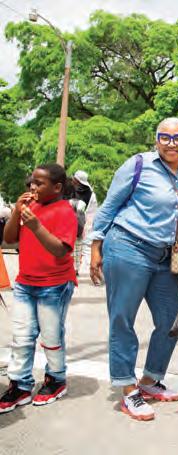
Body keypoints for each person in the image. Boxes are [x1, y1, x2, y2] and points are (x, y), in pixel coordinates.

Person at [89, 117, 178, 421]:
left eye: (177, 138)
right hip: (128, 247)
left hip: (163, 257)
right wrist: (95, 246)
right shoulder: (138, 165)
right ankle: (127, 388)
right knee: (123, 319)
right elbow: (110, 205)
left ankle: (149, 380)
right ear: (156, 139)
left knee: (172, 319)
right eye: (165, 137)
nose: (171, 143)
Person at [0, 164, 77, 414]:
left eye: (39, 183)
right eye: (32, 182)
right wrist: (16, 213)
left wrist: (36, 227)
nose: (33, 187)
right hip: (25, 282)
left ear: (57, 187)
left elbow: (60, 249)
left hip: (54, 285)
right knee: (22, 337)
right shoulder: (30, 207)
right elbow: (9, 239)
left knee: (51, 337)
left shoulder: (64, 211)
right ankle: (20, 384)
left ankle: (56, 379)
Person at [71, 170, 98, 276]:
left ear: (77, 180)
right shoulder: (91, 193)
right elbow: (92, 211)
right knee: (79, 246)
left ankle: (73, 268)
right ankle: (76, 268)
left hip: (73, 223)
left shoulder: (72, 191)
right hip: (83, 224)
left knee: (73, 247)